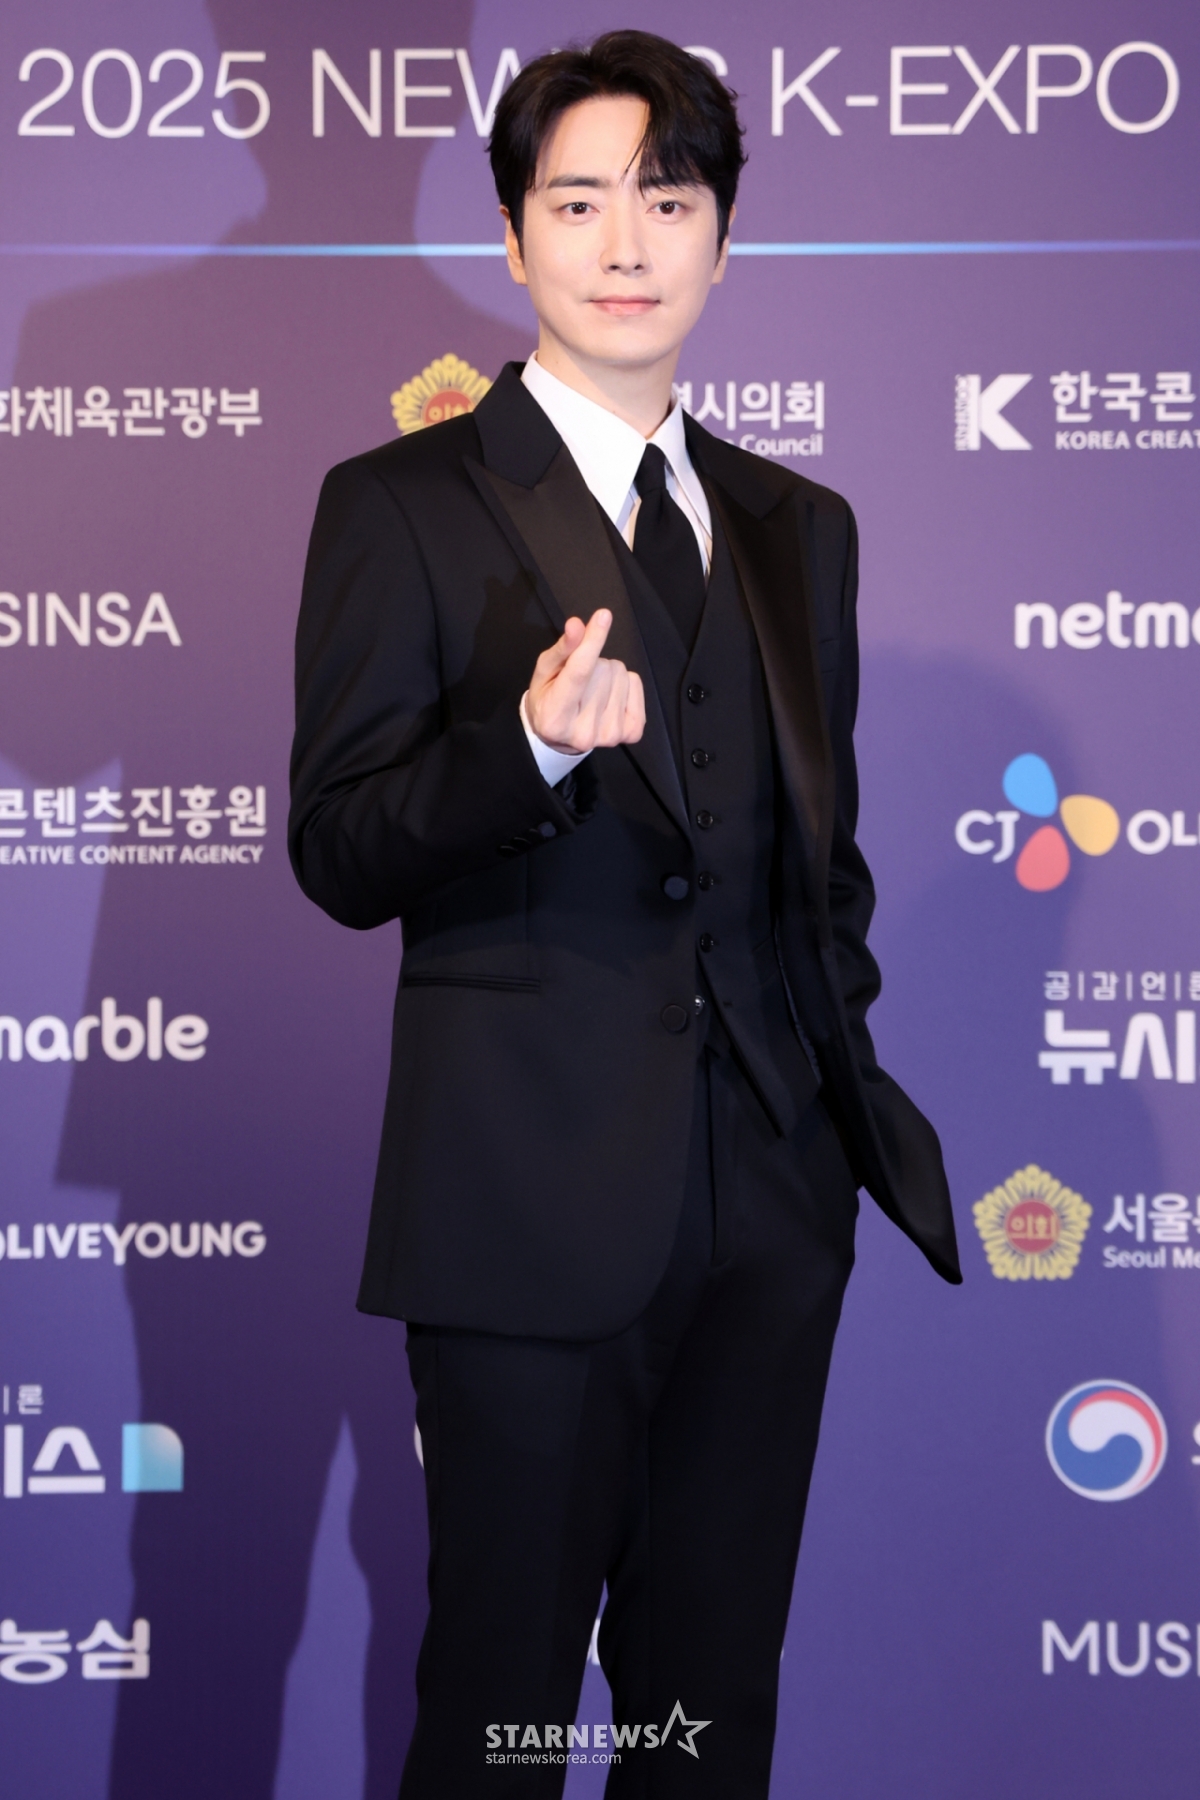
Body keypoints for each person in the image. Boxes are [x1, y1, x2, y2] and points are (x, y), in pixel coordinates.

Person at [289, 29, 959, 1798]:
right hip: (524, 1209)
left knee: (711, 1711)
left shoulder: (799, 524)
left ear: (723, 240)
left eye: (668, 201)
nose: (626, 243)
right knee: (500, 1710)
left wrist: (822, 1135)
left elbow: (820, 866)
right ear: (514, 238)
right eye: (579, 202)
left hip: (771, 1215)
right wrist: (519, 748)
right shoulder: (401, 506)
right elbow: (339, 850)